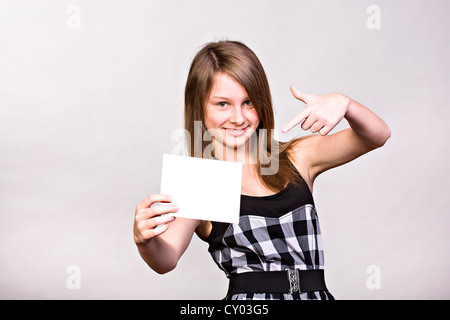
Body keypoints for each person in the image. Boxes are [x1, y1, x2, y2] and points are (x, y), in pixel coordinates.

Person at [133, 40, 391, 300]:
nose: (238, 117)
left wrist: (345, 104)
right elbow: (166, 259)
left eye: (248, 102)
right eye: (222, 104)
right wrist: (145, 241)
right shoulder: (204, 180)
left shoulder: (295, 158)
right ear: (199, 105)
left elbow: (377, 136)